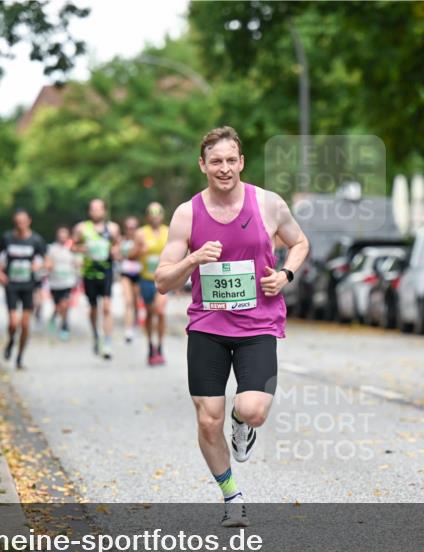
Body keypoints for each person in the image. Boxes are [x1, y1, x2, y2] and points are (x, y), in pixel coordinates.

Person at [155, 126, 309, 527]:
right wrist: (193, 260)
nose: (224, 168)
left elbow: (300, 243)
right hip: (208, 324)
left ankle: (243, 426)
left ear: (241, 162)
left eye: (231, 160)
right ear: (203, 165)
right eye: (216, 161)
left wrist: (287, 275)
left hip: (258, 322)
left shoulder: (269, 204)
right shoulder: (187, 214)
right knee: (208, 420)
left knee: (252, 410)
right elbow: (161, 280)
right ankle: (232, 495)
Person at [0, 209, 47, 370]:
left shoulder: (36, 240)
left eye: (22, 221)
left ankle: (20, 357)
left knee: (25, 324)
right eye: (17, 221)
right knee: (13, 323)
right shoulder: (7, 238)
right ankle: (10, 341)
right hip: (12, 285)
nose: (20, 224)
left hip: (29, 285)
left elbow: (48, 261)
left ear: (29, 221)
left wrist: (40, 265)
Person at [73, 199, 120, 360]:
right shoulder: (81, 228)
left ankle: (107, 343)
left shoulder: (112, 228)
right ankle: (95, 334)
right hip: (89, 273)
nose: (96, 212)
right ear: (89, 211)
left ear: (104, 211)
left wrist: (115, 251)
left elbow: (117, 245)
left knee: (107, 307)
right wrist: (81, 248)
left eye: (99, 209)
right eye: (93, 209)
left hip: (106, 271)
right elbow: (72, 246)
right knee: (93, 308)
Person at [133, 202, 170, 365]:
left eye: (158, 213)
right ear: (147, 216)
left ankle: (161, 347)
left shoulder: (168, 231)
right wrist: (140, 250)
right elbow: (131, 255)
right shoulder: (141, 233)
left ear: (162, 215)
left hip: (163, 278)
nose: (155, 217)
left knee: (160, 311)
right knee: (149, 313)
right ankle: (150, 346)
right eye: (152, 214)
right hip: (146, 279)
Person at [46, 226, 78, 341]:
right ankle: (54, 316)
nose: (62, 237)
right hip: (55, 283)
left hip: (68, 282)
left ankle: (64, 325)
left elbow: (77, 263)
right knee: (58, 306)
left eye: (64, 235)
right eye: (60, 235)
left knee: (65, 305)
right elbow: (48, 263)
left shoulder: (72, 248)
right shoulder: (52, 249)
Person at [118, 216, 143, 344]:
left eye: (133, 227)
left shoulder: (141, 241)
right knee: (128, 301)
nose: (131, 230)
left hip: (139, 273)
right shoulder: (122, 241)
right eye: (128, 228)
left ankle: (135, 322)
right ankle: (128, 330)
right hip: (126, 274)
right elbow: (117, 254)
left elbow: (142, 253)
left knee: (136, 301)